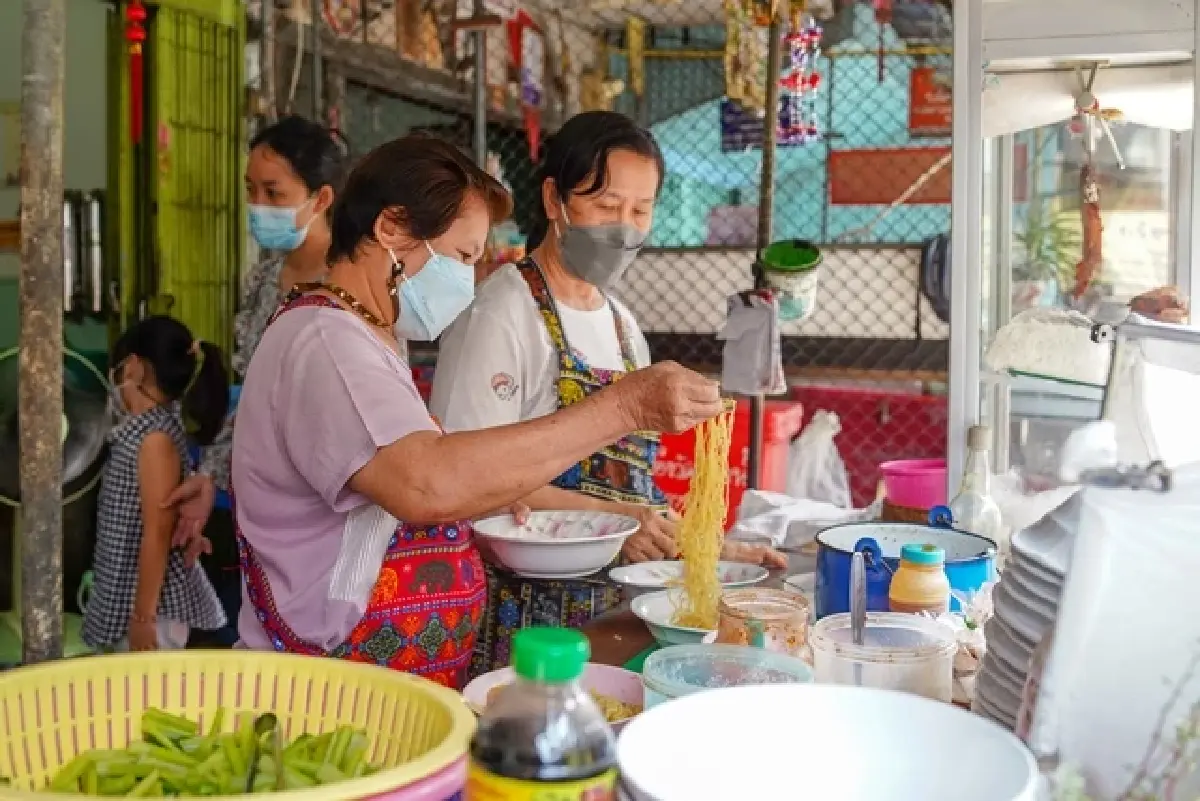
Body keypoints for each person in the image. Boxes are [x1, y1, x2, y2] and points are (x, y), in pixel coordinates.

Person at [228, 133, 720, 690]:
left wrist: (493, 493)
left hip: (380, 684)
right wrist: (627, 406)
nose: (466, 281)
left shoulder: (369, 336)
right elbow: (426, 483)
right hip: (325, 688)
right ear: (390, 228)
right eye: (462, 257)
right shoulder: (327, 341)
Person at [428, 112, 784, 674]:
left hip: (615, 606)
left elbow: (631, 487)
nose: (624, 227)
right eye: (605, 205)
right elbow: (470, 481)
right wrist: (617, 520)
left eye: (641, 211)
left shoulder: (623, 326)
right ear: (553, 199)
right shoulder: (501, 313)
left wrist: (695, 543)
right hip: (525, 613)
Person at [181, 116, 349, 646]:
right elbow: (249, 393)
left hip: (322, 502)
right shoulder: (261, 280)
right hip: (258, 492)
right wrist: (210, 474)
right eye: (250, 189)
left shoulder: (351, 283)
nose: (257, 204)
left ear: (321, 198)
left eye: (273, 192)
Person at [81, 317, 230, 652]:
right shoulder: (142, 432)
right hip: (133, 602)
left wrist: (143, 619)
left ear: (132, 367)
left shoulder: (155, 440)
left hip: (153, 614)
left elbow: (158, 532)